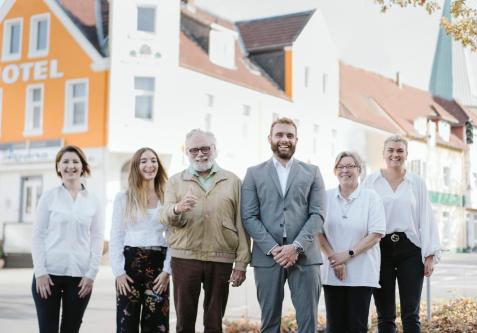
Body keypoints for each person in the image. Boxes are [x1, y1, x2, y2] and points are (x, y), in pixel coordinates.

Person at [241, 117, 326, 333]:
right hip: (268, 257)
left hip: (305, 257)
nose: (284, 139)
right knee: (269, 323)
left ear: (297, 139)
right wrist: (274, 249)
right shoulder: (253, 173)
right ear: (270, 138)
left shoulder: (312, 172)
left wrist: (295, 247)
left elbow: (318, 215)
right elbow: (249, 216)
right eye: (279, 135)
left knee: (308, 324)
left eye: (289, 135)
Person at [161, 129, 250, 333]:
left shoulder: (233, 181)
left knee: (214, 323)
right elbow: (164, 217)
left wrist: (241, 264)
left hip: (221, 258)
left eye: (205, 148)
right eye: (194, 150)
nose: (200, 154)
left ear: (215, 149)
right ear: (187, 153)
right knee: (184, 322)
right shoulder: (175, 181)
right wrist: (178, 208)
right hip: (184, 258)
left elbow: (242, 224)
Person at [363, 135, 441, 333]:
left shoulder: (416, 183)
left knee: (411, 314)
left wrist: (430, 254)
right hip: (380, 249)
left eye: (399, 151)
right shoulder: (370, 182)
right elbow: (362, 217)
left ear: (406, 154)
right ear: (383, 153)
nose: (395, 154)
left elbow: (426, 217)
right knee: (385, 314)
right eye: (390, 150)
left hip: (411, 249)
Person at [31, 145, 104, 333]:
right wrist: (40, 272)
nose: (70, 166)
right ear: (58, 167)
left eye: (75, 161)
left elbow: (97, 237)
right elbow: (38, 235)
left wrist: (91, 274)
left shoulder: (93, 201)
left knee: (71, 330)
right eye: (65, 161)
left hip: (80, 277)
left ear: (82, 166)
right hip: (48, 275)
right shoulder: (48, 197)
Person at [317, 151, 386, 333]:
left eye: (350, 166)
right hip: (332, 273)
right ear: (334, 171)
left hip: (362, 273)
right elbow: (316, 231)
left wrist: (346, 256)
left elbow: (376, 234)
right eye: (341, 166)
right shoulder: (325, 197)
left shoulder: (372, 198)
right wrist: (334, 258)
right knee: (335, 327)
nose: (345, 170)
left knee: (357, 327)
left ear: (359, 170)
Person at [109, 147, 171, 332]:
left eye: (153, 160)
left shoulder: (167, 198)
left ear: (158, 166)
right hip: (129, 266)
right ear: (136, 166)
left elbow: (173, 237)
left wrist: (167, 271)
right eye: (143, 161)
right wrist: (118, 272)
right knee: (126, 324)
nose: (149, 165)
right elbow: (116, 236)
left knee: (157, 324)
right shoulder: (123, 198)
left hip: (158, 267)